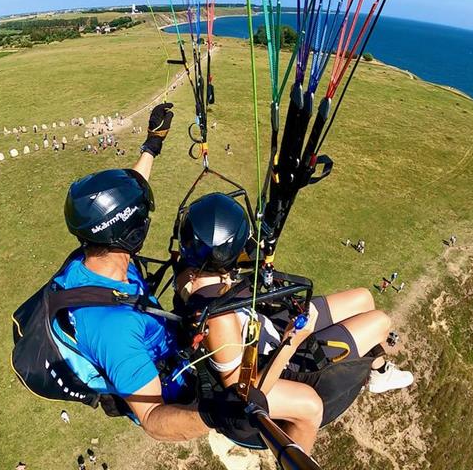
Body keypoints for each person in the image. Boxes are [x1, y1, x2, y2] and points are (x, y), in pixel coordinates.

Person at [23, 102, 266, 444]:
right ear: (132, 234)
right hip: (178, 389)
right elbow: (152, 418)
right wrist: (215, 416)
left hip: (149, 328)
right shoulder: (113, 330)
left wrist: (152, 145)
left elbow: (121, 204)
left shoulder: (91, 256)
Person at [174, 193, 414, 451]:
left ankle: (379, 373)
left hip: (266, 329)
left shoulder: (191, 272)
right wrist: (291, 342)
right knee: (380, 322)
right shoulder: (219, 319)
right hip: (277, 360)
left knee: (363, 299)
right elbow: (244, 392)